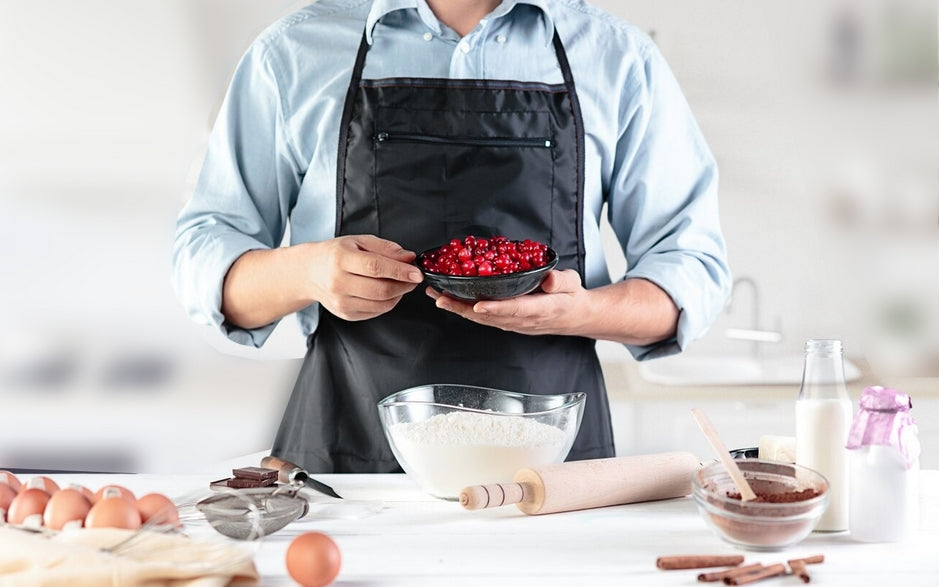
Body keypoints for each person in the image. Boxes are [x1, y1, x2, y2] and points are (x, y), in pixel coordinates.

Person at [172, 0, 732, 473]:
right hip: (352, 464)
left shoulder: (617, 57)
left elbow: (691, 272)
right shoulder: (294, 52)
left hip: (550, 471)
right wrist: (307, 272)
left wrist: (580, 311)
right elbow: (205, 262)